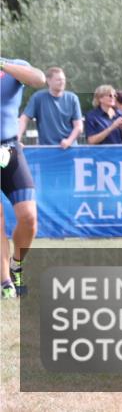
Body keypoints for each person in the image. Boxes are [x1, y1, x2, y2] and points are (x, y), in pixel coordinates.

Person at [0, 57, 46, 298]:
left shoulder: (12, 65)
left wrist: (2, 64)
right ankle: (5, 282)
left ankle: (16, 265)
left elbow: (39, 79)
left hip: (9, 150)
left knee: (29, 218)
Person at [17, 66, 83, 148]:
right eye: (58, 80)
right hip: (47, 149)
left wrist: (69, 141)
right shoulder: (38, 97)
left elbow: (79, 126)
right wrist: (17, 139)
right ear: (48, 81)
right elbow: (24, 118)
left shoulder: (73, 98)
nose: (62, 82)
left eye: (63, 79)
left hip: (69, 148)